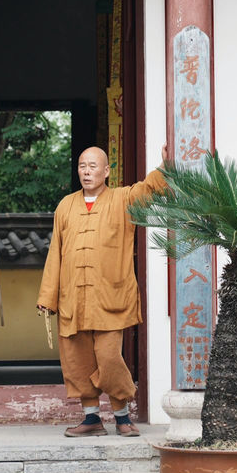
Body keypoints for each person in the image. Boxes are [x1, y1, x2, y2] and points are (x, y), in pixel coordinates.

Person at [37, 144, 168, 437]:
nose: (87, 171)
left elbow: (148, 190)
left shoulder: (123, 199)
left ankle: (122, 416)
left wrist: (165, 166)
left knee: (109, 358)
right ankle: (91, 418)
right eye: (82, 166)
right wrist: (48, 296)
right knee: (77, 360)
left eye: (93, 166)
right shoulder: (65, 206)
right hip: (73, 299)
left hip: (110, 297)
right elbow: (55, 252)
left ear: (107, 171)